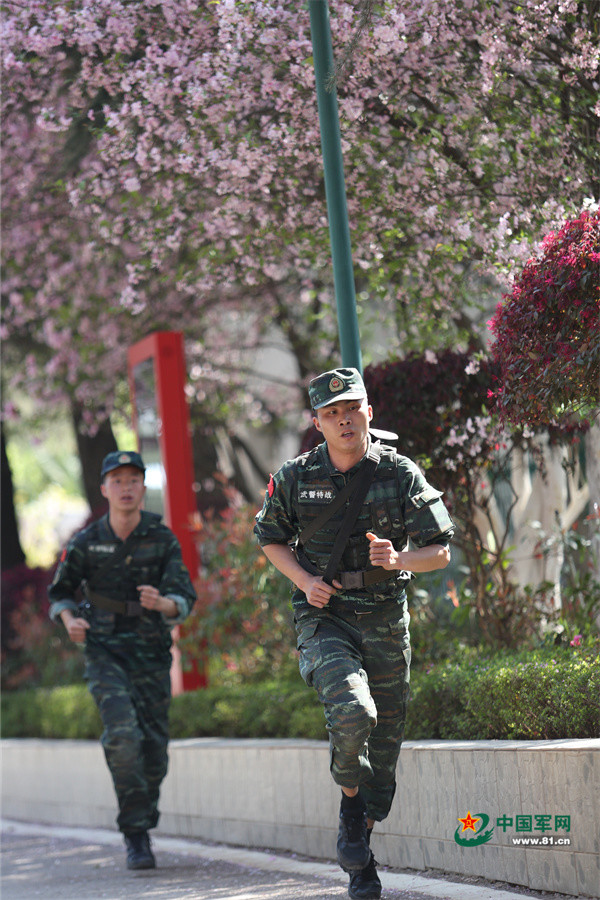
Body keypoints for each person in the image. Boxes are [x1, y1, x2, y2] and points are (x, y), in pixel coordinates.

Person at [253, 368, 454, 900]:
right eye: (331, 412)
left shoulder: (400, 472)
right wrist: (304, 581)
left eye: (352, 407)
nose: (344, 418)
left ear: (370, 411)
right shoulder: (296, 476)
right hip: (327, 616)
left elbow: (440, 550)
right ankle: (348, 808)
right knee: (352, 712)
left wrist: (400, 557)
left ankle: (360, 849)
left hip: (386, 617)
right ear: (317, 422)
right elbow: (270, 537)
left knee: (383, 754)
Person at [48, 450, 197, 870]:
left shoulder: (161, 538)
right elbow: (59, 591)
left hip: (150, 655)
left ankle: (141, 817)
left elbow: (184, 597)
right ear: (104, 489)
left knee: (154, 753)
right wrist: (69, 618)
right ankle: (136, 832)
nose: (126, 488)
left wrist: (164, 603)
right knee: (122, 736)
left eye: (134, 480)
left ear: (142, 486)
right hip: (105, 653)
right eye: (118, 480)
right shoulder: (86, 541)